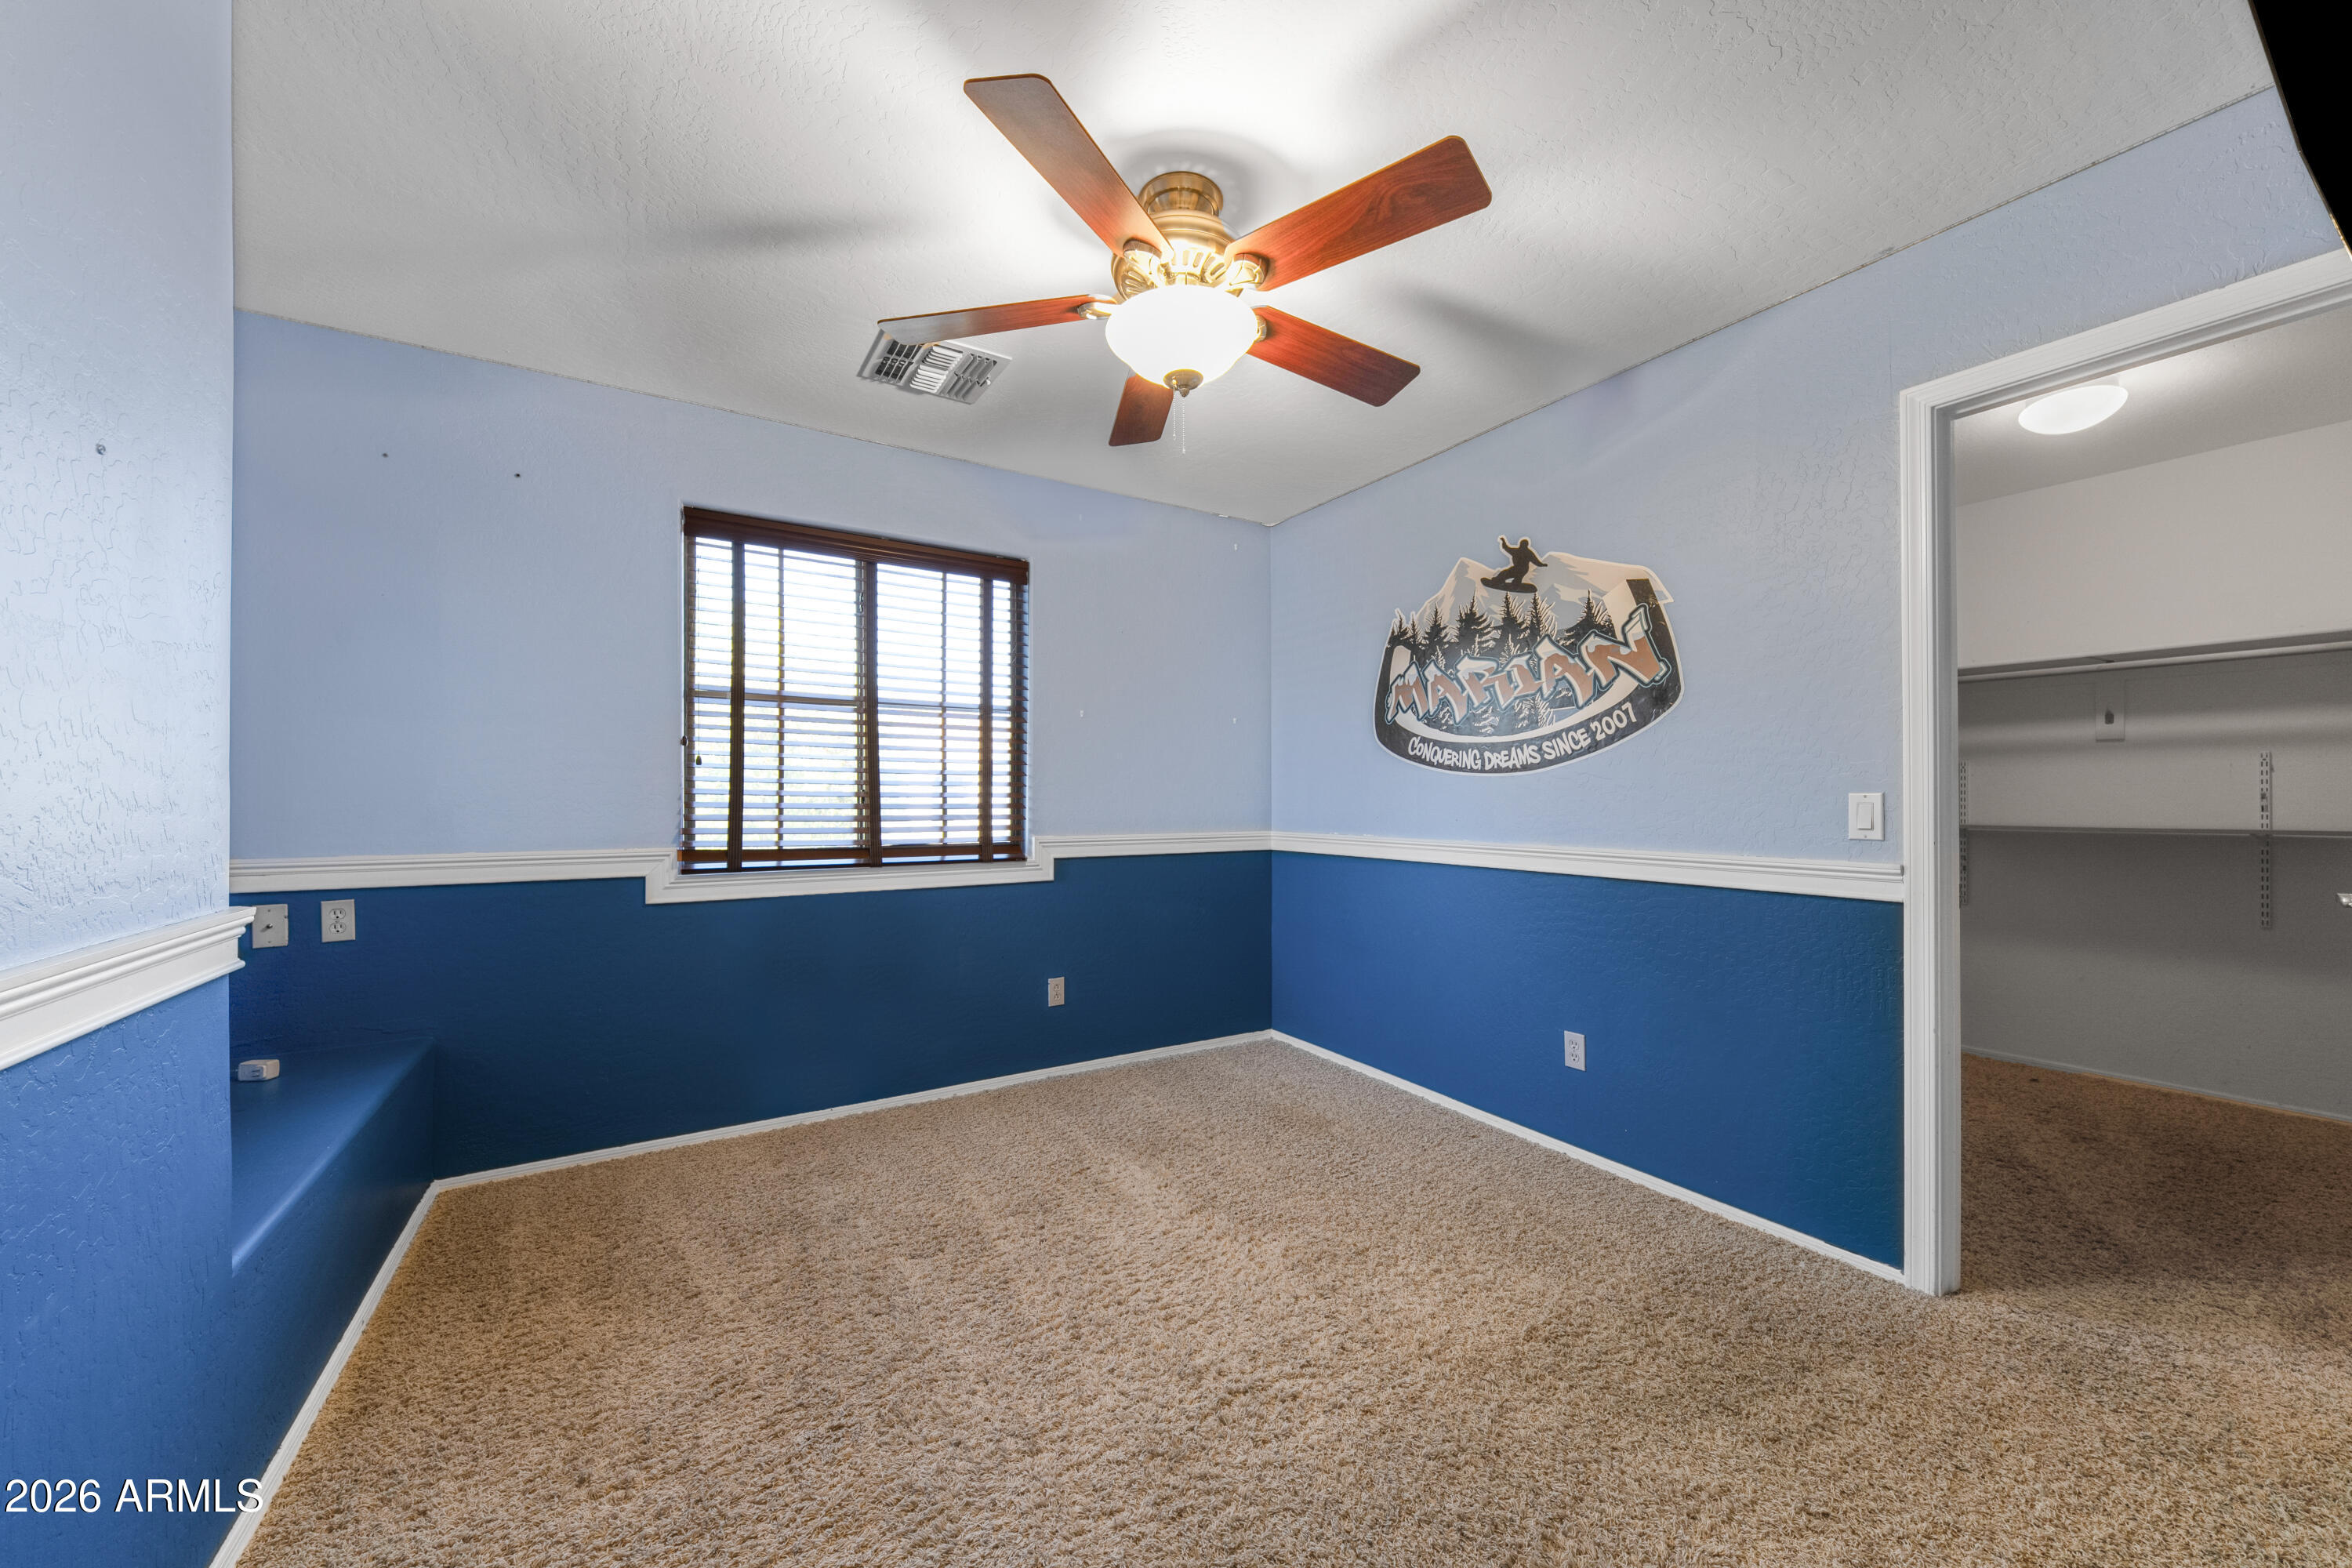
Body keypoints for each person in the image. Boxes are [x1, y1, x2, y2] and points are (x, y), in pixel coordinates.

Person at [1479, 536, 1543, 592]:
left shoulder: (1527, 553)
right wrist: (1503, 541)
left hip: (1522, 569)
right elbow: (1506, 548)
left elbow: (1535, 561)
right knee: (1505, 573)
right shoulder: (1519, 551)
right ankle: (1500, 582)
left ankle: (1513, 585)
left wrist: (1542, 564)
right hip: (1517, 568)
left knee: (1516, 577)